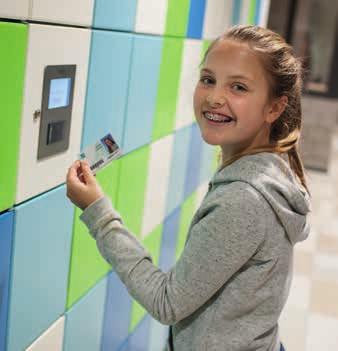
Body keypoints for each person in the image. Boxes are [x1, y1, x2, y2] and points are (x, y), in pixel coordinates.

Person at [66, 25, 311, 351]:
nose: (214, 97)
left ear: (274, 108)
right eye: (208, 79)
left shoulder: (243, 199)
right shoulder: (273, 170)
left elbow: (166, 302)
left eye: (238, 87)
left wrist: (97, 212)